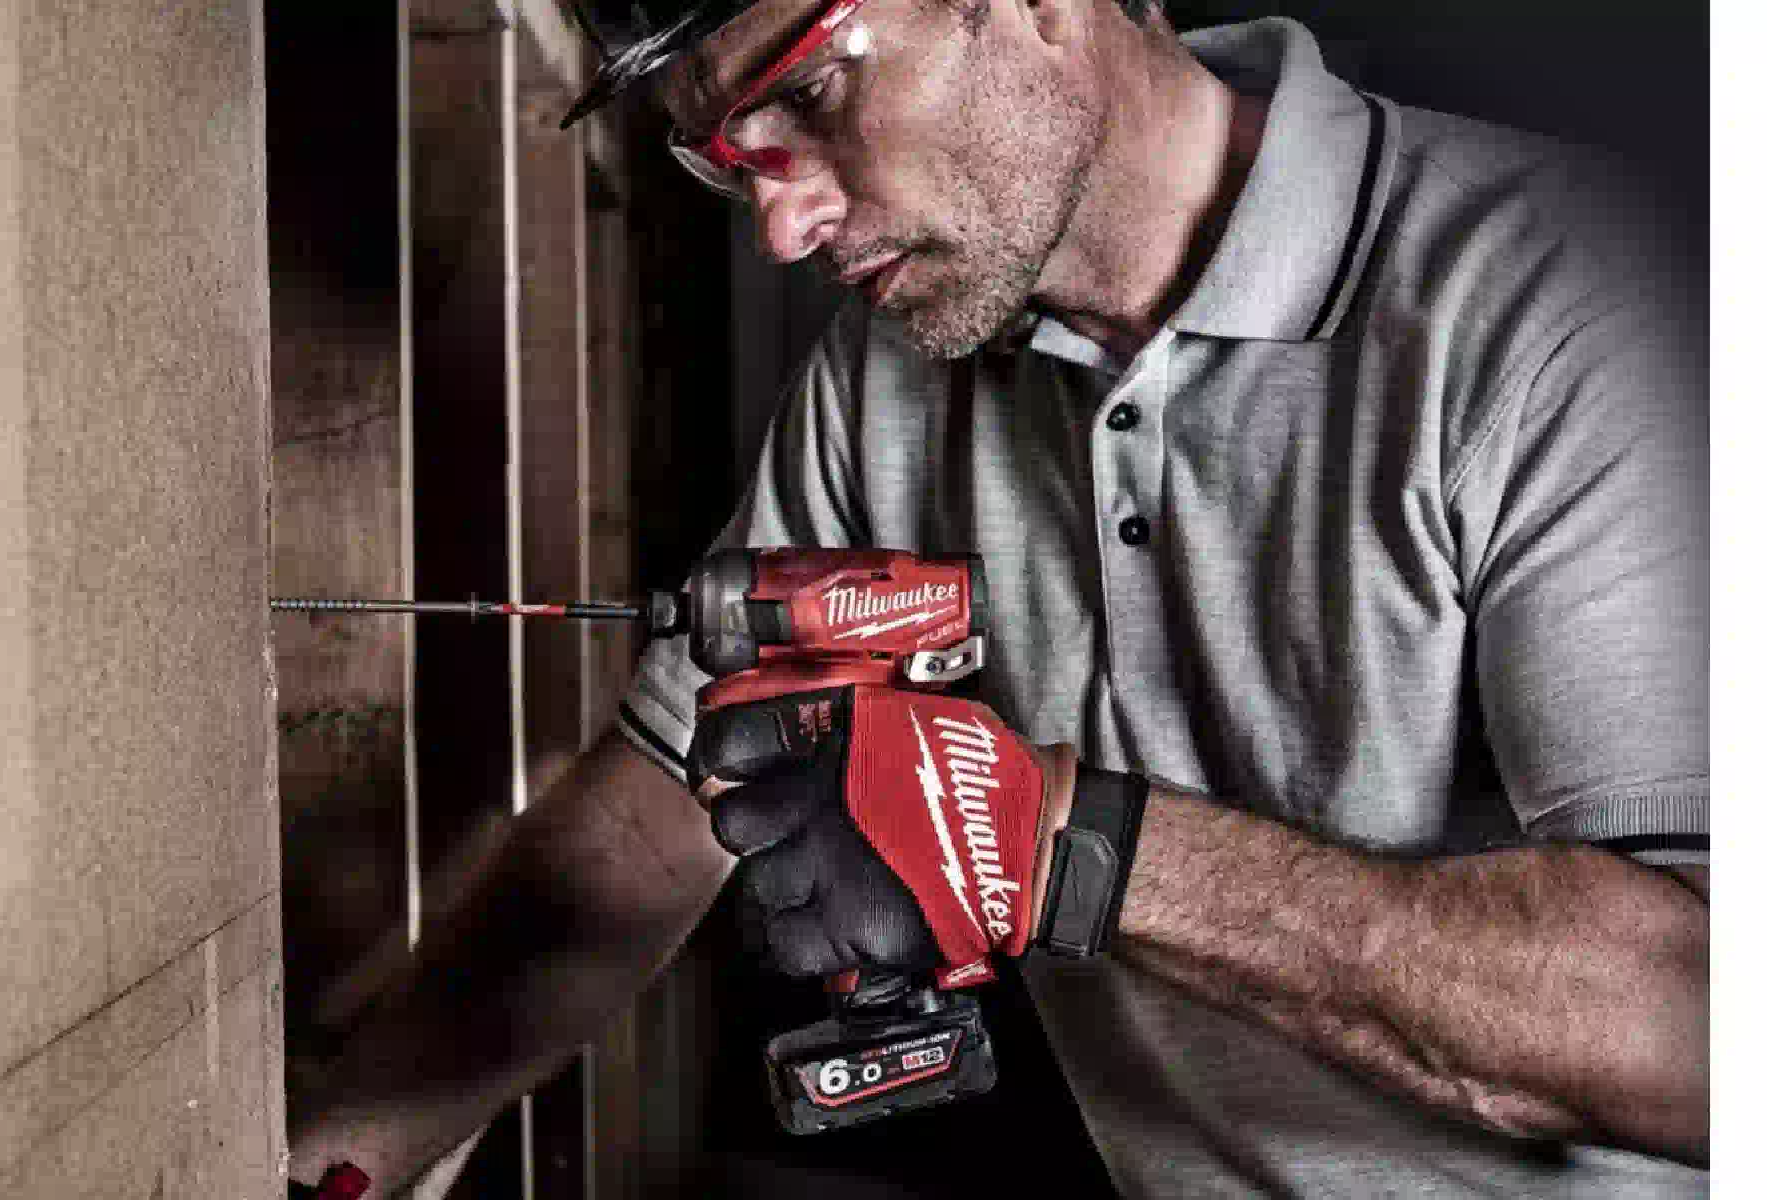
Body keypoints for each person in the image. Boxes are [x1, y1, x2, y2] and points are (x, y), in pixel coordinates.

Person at [288, 0, 1709, 1195]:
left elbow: (1700, 1032)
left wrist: (1069, 845)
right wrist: (335, 1165)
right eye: (730, 162)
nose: (782, 223)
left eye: (813, 96)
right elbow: (651, 826)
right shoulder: (890, 378)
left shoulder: (1568, 298)